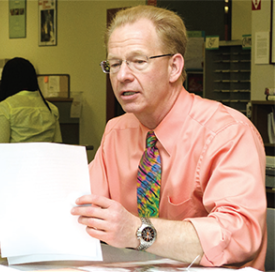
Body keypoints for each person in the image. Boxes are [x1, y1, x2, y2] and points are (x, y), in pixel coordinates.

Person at [70, 5, 267, 270]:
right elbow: (79, 207)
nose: (123, 75)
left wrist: (138, 231)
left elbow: (239, 236)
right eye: (114, 64)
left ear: (174, 67)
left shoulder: (227, 133)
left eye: (138, 61)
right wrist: (31, 234)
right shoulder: (117, 132)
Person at [0, 57, 62, 143]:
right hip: (46, 156)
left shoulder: (6, 107)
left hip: (17, 156)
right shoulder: (51, 109)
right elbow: (58, 144)